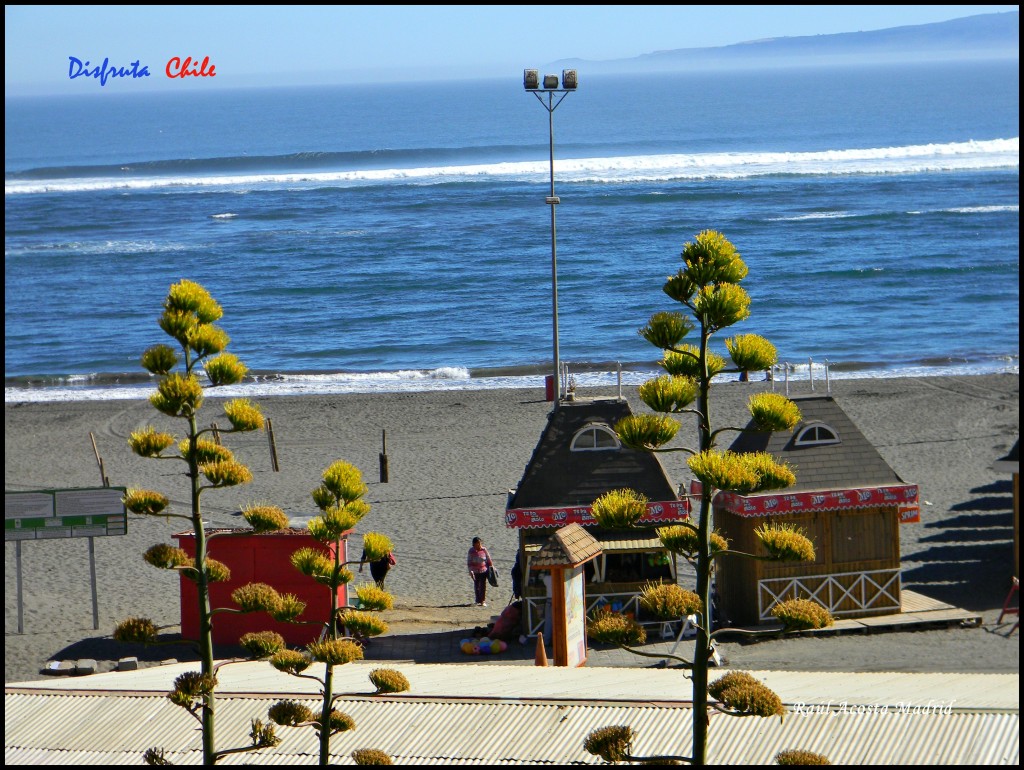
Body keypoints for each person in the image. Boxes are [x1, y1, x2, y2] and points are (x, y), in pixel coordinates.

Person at [466, 536, 493, 607]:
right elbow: (469, 562)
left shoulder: (484, 550)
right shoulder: (471, 551)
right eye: (477, 544)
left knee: (483, 585)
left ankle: (482, 601)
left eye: (480, 543)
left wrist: (491, 567)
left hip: (484, 570)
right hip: (475, 571)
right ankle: (477, 600)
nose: (479, 545)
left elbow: (488, 558)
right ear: (474, 544)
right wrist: (470, 571)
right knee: (476, 585)